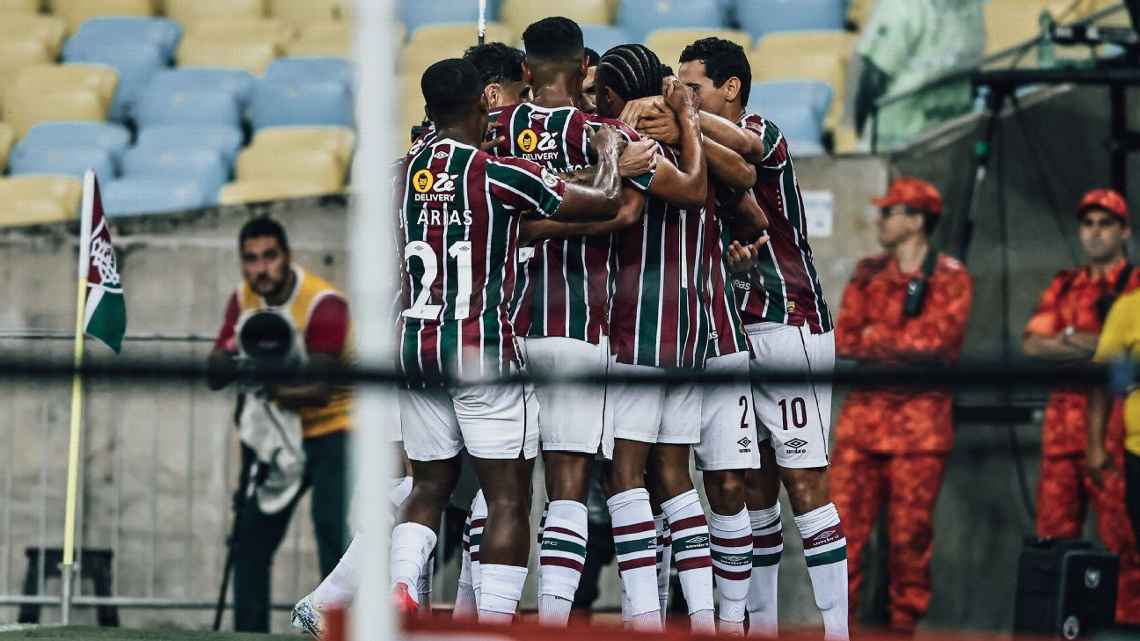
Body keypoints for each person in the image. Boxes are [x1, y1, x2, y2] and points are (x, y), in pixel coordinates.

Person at [388, 57, 627, 624]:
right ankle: (493, 627)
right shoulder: (496, 172)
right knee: (507, 498)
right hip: (482, 350)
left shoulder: (397, 173)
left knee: (428, 485)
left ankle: (399, 585)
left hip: (416, 347)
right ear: (483, 105)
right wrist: (611, 151)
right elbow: (604, 197)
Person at [625, 35, 843, 639]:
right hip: (732, 328)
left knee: (805, 483)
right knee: (753, 487)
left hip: (790, 321)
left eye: (693, 86)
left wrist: (680, 117)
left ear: (731, 88)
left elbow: (746, 154)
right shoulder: (693, 150)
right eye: (679, 86)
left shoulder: (758, 128)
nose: (682, 95)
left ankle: (840, 632)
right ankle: (762, 628)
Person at [478, 18, 657, 627]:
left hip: (501, 325)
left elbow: (486, 213)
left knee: (496, 487)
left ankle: (487, 619)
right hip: (578, 324)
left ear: (524, 71)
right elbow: (627, 210)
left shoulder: (492, 131)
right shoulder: (603, 133)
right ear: (586, 67)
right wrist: (575, 210)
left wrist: (531, 218)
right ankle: (554, 625)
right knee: (568, 486)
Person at [831, 177, 973, 633]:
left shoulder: (950, 277)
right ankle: (840, 629)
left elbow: (937, 344)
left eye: (890, 212)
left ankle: (902, 628)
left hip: (919, 433)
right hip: (863, 428)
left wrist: (879, 339)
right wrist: (892, 344)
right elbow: (846, 338)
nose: (881, 219)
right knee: (842, 540)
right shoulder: (868, 272)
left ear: (916, 220)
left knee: (910, 543)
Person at [207, 217, 353, 633]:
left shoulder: (323, 303)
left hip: (335, 429)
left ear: (287, 257)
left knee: (332, 536)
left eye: (270, 256)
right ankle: (248, 633)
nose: (261, 268)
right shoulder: (244, 301)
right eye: (251, 260)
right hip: (278, 433)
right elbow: (215, 372)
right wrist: (232, 349)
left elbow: (319, 389)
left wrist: (262, 384)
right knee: (249, 540)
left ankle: (338, 630)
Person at [1061, 189, 1140, 625]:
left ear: (1125, 232)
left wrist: (1069, 337)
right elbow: (1035, 343)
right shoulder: (1128, 307)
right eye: (1087, 223)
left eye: (1105, 223)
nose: (1094, 233)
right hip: (1132, 450)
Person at [852, 0, 984, 150]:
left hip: (938, 141)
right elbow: (874, 79)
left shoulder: (972, 6)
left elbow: (873, 80)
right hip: (905, 145)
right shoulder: (903, 6)